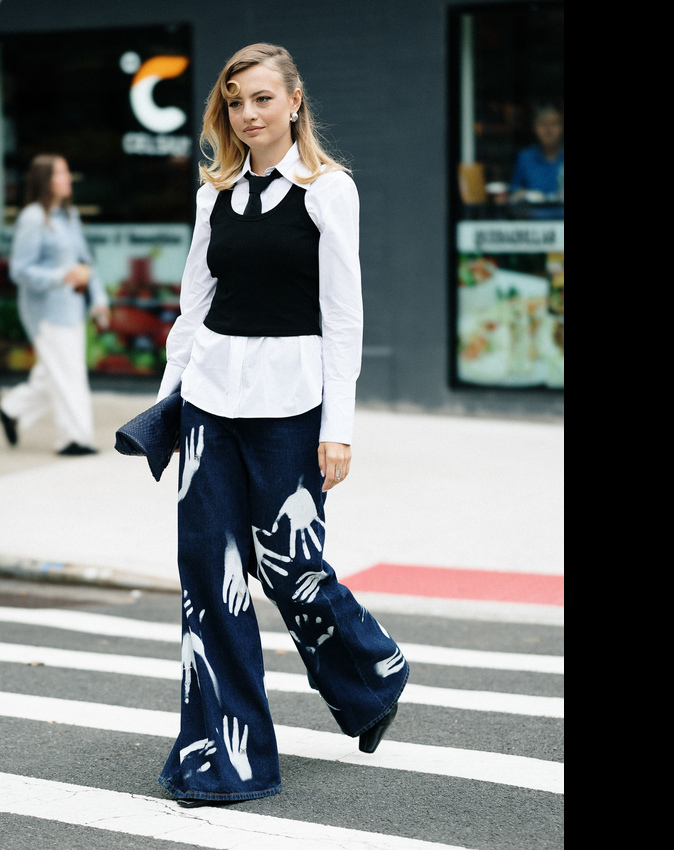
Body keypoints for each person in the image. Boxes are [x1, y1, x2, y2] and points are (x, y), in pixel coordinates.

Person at [153, 43, 409, 809]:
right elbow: (193, 309)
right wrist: (167, 408)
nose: (247, 114)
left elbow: (343, 316)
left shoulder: (329, 190)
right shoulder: (214, 195)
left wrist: (340, 426)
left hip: (291, 407)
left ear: (295, 101)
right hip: (209, 404)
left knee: (290, 568)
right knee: (210, 577)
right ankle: (225, 755)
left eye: (262, 98)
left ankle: (372, 670)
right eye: (235, 102)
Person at [0, 154, 110, 456]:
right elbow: (20, 270)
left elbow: (85, 263)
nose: (67, 178)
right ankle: (74, 439)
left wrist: (99, 299)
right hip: (46, 312)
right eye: (60, 173)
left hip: (72, 308)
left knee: (54, 373)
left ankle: (11, 408)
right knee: (68, 374)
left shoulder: (68, 216)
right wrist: (61, 276)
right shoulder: (33, 218)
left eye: (66, 172)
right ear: (44, 180)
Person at [509, 105, 564, 202]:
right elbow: (513, 196)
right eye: (542, 124)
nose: (548, 130)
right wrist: (523, 195)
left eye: (554, 124)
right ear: (534, 128)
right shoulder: (525, 158)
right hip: (533, 212)